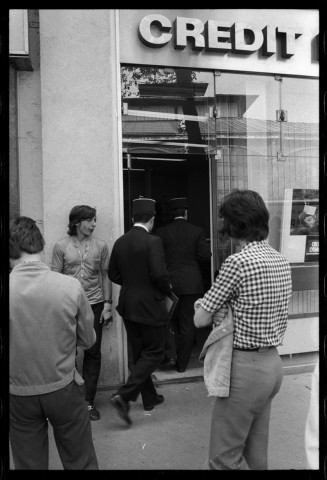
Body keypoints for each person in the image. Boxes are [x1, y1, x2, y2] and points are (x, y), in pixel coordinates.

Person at [194, 189, 292, 470]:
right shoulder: (280, 260)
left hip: (244, 370)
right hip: (272, 366)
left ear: (233, 225)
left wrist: (205, 306)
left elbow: (201, 319)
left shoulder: (237, 262)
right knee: (256, 456)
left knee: (223, 459)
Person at [9, 216, 98, 470]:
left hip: (18, 392)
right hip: (64, 386)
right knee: (81, 461)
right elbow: (88, 340)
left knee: (29, 464)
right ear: (41, 245)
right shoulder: (70, 286)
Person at [108, 197, 172, 425]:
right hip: (149, 305)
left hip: (128, 305)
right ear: (152, 219)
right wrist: (167, 289)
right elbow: (160, 275)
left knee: (140, 353)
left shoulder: (120, 242)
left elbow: (112, 274)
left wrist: (132, 283)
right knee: (154, 353)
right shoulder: (153, 241)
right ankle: (124, 396)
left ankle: (149, 398)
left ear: (133, 217)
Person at [51, 205, 112, 421]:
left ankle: (88, 402)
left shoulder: (101, 246)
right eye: (91, 220)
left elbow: (105, 275)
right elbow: (55, 278)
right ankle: (70, 401)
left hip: (94, 304)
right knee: (68, 352)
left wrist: (107, 304)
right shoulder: (61, 246)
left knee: (93, 352)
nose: (94, 225)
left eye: (95, 220)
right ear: (77, 222)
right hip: (67, 305)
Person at [156, 197, 211, 372]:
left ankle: (170, 356)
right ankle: (182, 365)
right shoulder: (197, 231)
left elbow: (158, 258)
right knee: (188, 325)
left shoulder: (161, 232)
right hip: (191, 285)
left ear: (171, 213)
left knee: (167, 322)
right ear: (186, 213)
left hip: (169, 285)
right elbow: (204, 257)